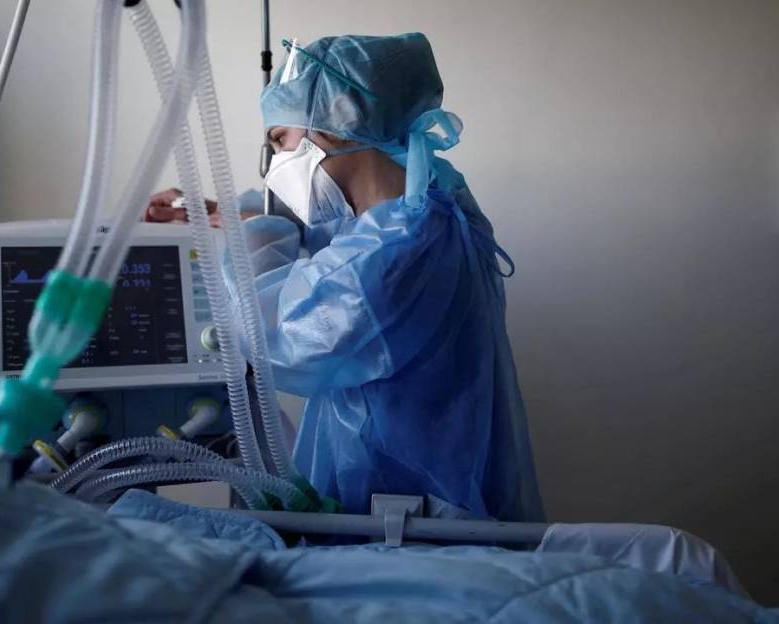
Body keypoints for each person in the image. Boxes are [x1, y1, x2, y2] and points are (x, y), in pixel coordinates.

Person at [148, 33, 542, 521]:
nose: (276, 163)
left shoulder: (396, 249)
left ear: (339, 121)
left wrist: (252, 233)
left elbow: (273, 336)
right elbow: (324, 235)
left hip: (407, 521)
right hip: (420, 505)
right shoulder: (426, 205)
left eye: (280, 139)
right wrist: (222, 210)